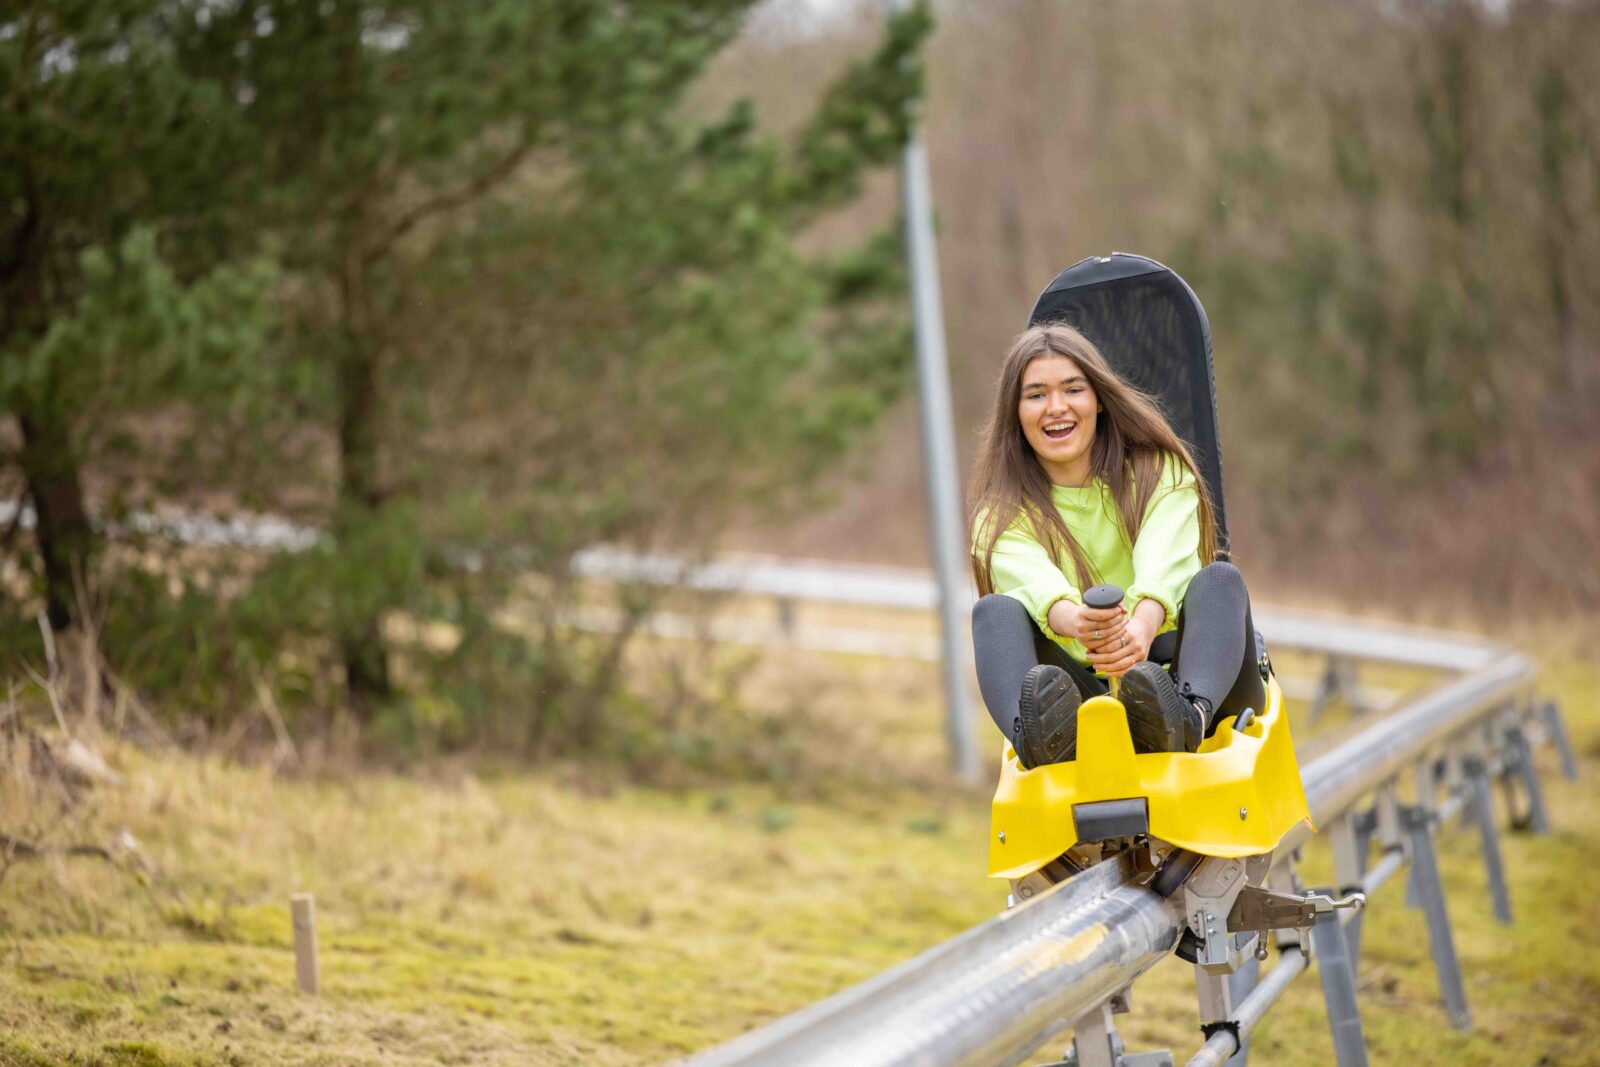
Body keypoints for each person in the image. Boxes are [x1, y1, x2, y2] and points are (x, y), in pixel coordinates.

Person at [968, 323, 1266, 769]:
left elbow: (1165, 557)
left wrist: (1141, 628)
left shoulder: (1159, 473)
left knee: (1220, 579)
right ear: (1015, 412)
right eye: (1035, 395)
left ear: (1100, 399)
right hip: (1080, 700)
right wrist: (1084, 626)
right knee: (993, 613)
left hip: (1185, 678)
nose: (1056, 407)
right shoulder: (1000, 516)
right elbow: (1033, 583)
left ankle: (1182, 721)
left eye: (1073, 389)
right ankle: (1040, 743)